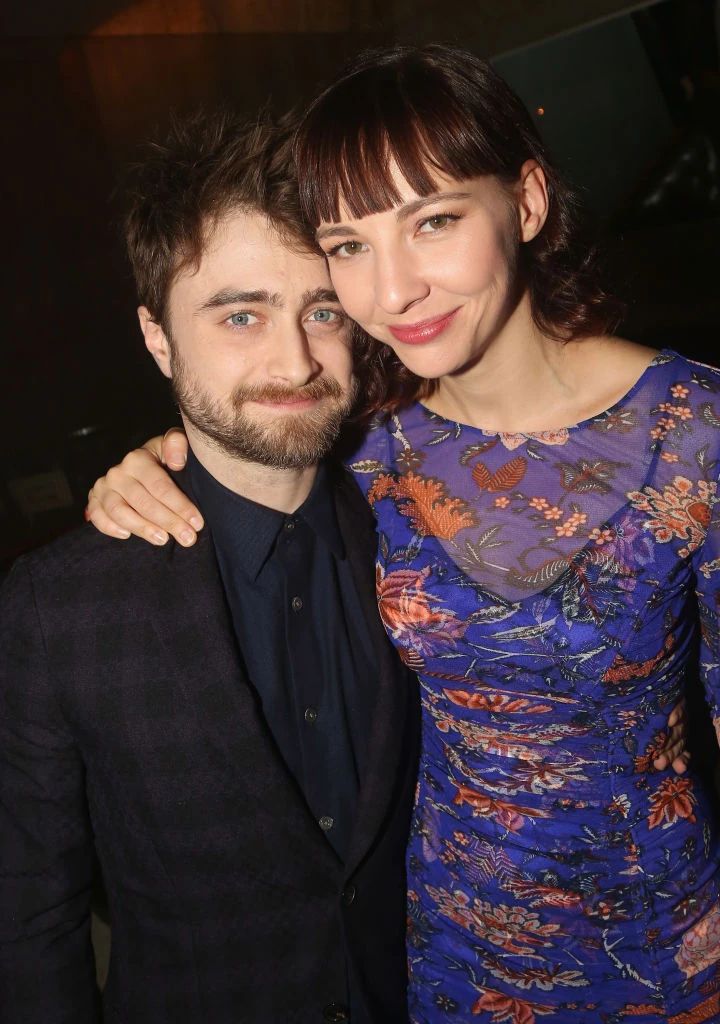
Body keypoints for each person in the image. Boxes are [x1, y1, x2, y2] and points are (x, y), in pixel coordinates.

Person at [84, 47, 714, 1022]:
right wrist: (148, 466)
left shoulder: (695, 432)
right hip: (449, 956)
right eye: (348, 246)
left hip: (667, 949)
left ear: (527, 201)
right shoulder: (366, 446)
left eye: (434, 222)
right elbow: (243, 448)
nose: (394, 291)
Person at [0, 110, 421, 1024]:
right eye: (240, 315)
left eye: (322, 311)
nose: (295, 361)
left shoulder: (423, 527)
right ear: (158, 339)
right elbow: (30, 921)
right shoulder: (55, 610)